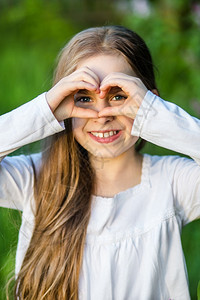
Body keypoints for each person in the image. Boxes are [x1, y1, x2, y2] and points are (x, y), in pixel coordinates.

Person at [0, 25, 199, 300]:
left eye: (119, 96)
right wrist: (43, 110)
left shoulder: (174, 182)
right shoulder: (35, 178)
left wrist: (155, 115)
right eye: (83, 98)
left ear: (150, 101)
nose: (102, 114)